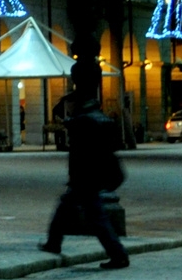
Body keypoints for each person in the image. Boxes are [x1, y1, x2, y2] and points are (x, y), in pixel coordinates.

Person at [39, 83, 129, 270]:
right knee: (70, 211)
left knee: (94, 217)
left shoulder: (84, 120)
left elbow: (80, 149)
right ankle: (54, 243)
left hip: (85, 176)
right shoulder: (100, 117)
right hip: (93, 175)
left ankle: (118, 254)